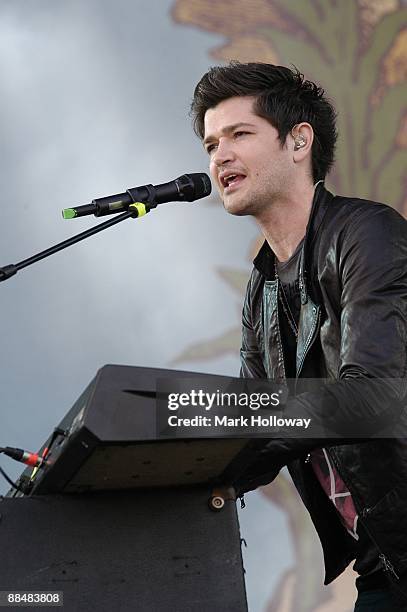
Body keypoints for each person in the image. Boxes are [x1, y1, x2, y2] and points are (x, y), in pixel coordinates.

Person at [191, 62, 407, 610]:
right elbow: (251, 428)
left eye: (240, 134)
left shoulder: (367, 234)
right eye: (211, 143)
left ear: (298, 141)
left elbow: (371, 396)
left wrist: (260, 424)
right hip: (384, 568)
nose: (219, 155)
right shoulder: (260, 292)